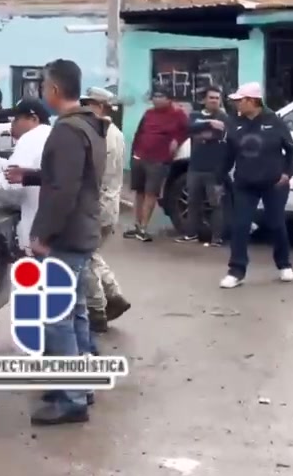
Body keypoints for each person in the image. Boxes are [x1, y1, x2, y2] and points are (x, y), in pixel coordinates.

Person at [5, 59, 107, 426]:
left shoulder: (66, 130)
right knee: (75, 312)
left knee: (57, 317)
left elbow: (65, 189)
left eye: (44, 86)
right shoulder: (90, 124)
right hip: (81, 231)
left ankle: (72, 399)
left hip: (67, 235)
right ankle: (80, 385)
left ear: (54, 90)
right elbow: (68, 176)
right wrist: (31, 176)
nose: (42, 92)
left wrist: (42, 235)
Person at [217, 82, 293, 289]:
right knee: (240, 226)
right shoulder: (234, 123)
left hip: (274, 184)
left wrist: (287, 173)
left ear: (252, 101)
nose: (236, 104)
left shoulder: (275, 122)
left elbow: (291, 150)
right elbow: (227, 155)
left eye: (240, 100)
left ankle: (284, 264)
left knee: (276, 223)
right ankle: (236, 271)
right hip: (245, 184)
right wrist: (219, 179)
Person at [80, 87, 130, 333]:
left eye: (88, 104)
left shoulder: (99, 134)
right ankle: (114, 294)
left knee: (84, 257)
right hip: (109, 205)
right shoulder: (115, 132)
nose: (84, 108)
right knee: (91, 254)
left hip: (97, 205)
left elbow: (93, 175)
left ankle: (97, 310)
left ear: (101, 106)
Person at [124, 85, 188, 242]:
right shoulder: (148, 114)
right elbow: (139, 133)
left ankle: (144, 228)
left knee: (150, 193)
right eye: (155, 97)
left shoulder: (178, 115)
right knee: (139, 192)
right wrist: (133, 155)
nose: (157, 100)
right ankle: (137, 225)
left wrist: (177, 140)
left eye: (161, 97)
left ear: (169, 99)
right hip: (140, 157)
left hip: (158, 160)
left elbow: (187, 130)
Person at [0, 99, 52, 254]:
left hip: (39, 233)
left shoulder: (31, 137)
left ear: (33, 119)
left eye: (16, 119)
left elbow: (10, 183)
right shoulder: (53, 134)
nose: (12, 124)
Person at [176, 86, 229, 246]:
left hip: (214, 169)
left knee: (216, 204)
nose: (214, 101)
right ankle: (191, 234)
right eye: (211, 97)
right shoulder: (195, 115)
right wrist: (209, 123)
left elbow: (218, 133)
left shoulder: (223, 117)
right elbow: (189, 128)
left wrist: (203, 130)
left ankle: (217, 238)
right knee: (192, 203)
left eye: (217, 98)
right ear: (205, 99)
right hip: (195, 168)